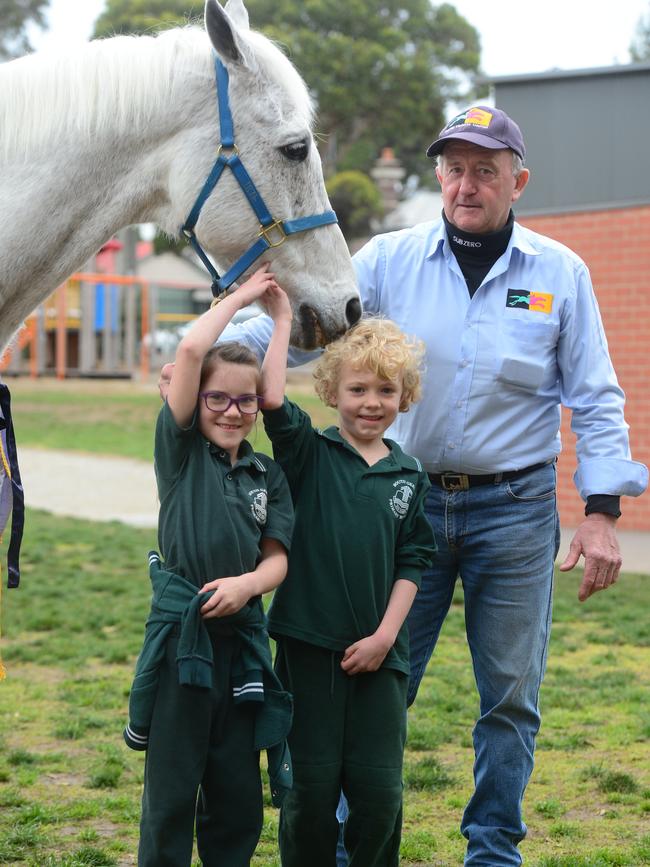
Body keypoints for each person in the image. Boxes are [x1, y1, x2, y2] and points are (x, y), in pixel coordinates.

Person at [210, 105, 648, 866]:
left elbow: (596, 395)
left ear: (520, 180)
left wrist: (603, 510)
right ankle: (346, 845)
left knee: (510, 697)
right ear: (438, 176)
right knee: (371, 677)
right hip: (398, 506)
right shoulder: (389, 259)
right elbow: (312, 322)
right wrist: (214, 361)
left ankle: (492, 848)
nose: (466, 184)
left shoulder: (560, 275)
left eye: (486, 169)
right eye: (454, 168)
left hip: (513, 510)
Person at [125, 264, 296, 867]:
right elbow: (195, 345)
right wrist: (242, 295)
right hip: (182, 645)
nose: (232, 411)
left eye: (242, 401)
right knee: (171, 792)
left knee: (236, 795)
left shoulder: (264, 474)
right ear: (193, 399)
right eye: (216, 398)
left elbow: (275, 560)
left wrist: (282, 320)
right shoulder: (179, 454)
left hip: (239, 647)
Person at [260, 306, 436, 866]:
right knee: (308, 794)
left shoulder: (410, 476)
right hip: (308, 651)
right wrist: (282, 320)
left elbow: (413, 560)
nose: (371, 402)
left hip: (381, 658)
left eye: (386, 390)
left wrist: (386, 637)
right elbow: (268, 398)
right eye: (357, 388)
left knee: (380, 798)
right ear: (332, 392)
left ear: (404, 397)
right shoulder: (309, 453)